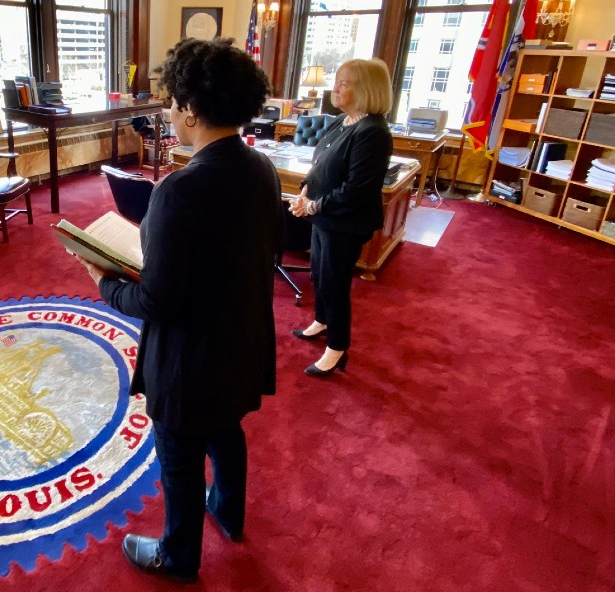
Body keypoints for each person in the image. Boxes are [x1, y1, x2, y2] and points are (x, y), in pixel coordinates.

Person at [73, 38, 277, 582]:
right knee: (227, 429)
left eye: (171, 101)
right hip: (243, 339)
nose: (167, 111)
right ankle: (228, 513)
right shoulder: (262, 169)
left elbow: (157, 300)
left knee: (179, 455)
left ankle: (178, 555)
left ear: (189, 109)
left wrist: (104, 282)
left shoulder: (179, 190)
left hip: (191, 360)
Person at [288, 58, 393, 377]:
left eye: (345, 83)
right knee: (319, 275)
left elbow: (358, 189)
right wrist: (304, 192)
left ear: (366, 90)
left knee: (335, 283)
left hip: (346, 222)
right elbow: (319, 165)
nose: (336, 88)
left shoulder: (372, 131)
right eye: (338, 80)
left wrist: (313, 206)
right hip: (324, 217)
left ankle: (337, 347)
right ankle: (322, 321)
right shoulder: (342, 121)